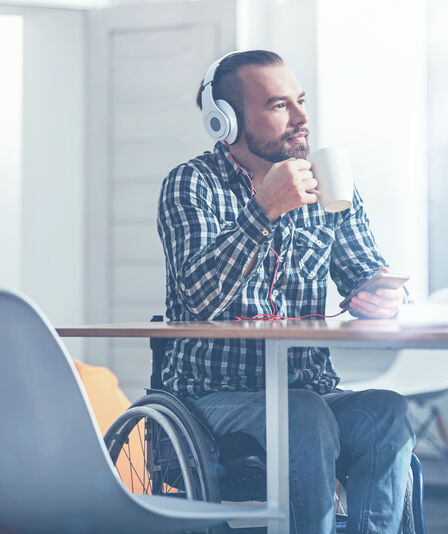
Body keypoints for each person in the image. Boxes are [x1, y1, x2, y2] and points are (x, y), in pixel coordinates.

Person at [156, 49, 414, 534]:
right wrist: (264, 210)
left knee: (386, 410)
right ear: (226, 123)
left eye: (300, 101)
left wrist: (385, 299)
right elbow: (200, 301)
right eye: (279, 106)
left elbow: (367, 273)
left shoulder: (330, 184)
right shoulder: (191, 185)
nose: (301, 119)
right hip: (212, 398)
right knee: (301, 412)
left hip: (311, 390)